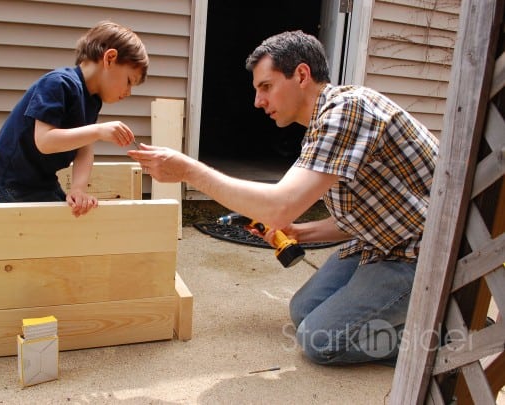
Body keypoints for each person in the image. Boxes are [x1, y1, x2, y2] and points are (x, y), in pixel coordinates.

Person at [128, 30, 438, 366]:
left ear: (302, 75)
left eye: (266, 87)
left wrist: (191, 171)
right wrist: (300, 232)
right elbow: (367, 215)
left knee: (318, 340)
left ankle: (442, 340)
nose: (258, 102)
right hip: (378, 242)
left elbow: (279, 205)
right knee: (302, 310)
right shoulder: (324, 123)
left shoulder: (347, 111)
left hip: (421, 255)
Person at [0, 20, 148, 217]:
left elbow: (84, 149)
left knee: (70, 219)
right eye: (129, 81)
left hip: (41, 179)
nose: (128, 92)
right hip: (12, 179)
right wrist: (98, 131)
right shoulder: (58, 84)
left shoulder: (93, 100)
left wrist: (78, 189)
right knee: (55, 236)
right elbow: (44, 141)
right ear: (110, 58)